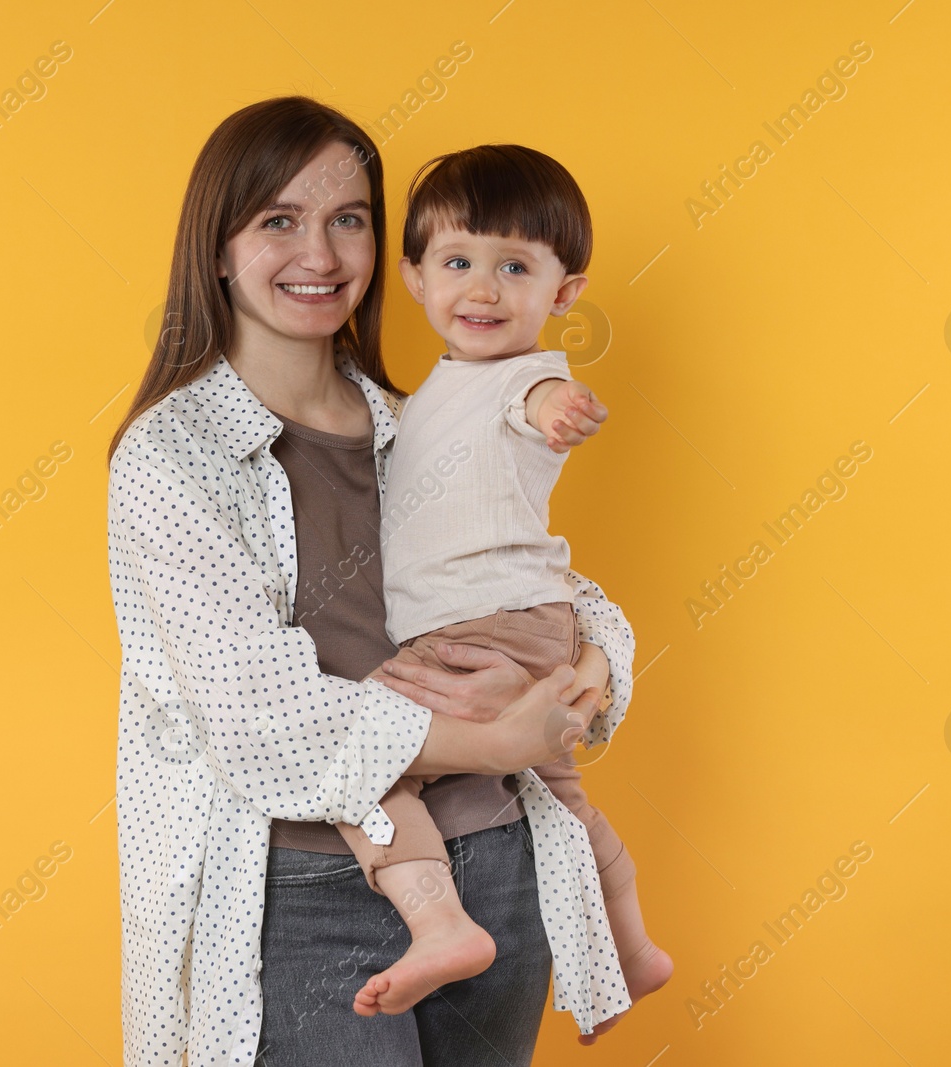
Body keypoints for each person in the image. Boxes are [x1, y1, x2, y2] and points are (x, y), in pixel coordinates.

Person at [107, 95, 638, 1067]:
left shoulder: (411, 420)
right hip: (298, 888)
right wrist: (495, 730)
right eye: (278, 220)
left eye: (346, 218)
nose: (318, 253)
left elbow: (526, 572)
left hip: (494, 860)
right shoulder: (174, 456)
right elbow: (255, 712)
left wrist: (597, 659)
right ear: (217, 248)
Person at [332, 145, 673, 1034]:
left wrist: (559, 407)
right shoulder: (429, 395)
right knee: (562, 800)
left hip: (483, 629)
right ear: (413, 276)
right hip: (523, 622)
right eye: (458, 263)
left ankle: (439, 923)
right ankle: (632, 947)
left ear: (563, 294)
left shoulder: (518, 377)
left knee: (349, 753)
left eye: (514, 267)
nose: (482, 290)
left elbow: (540, 400)